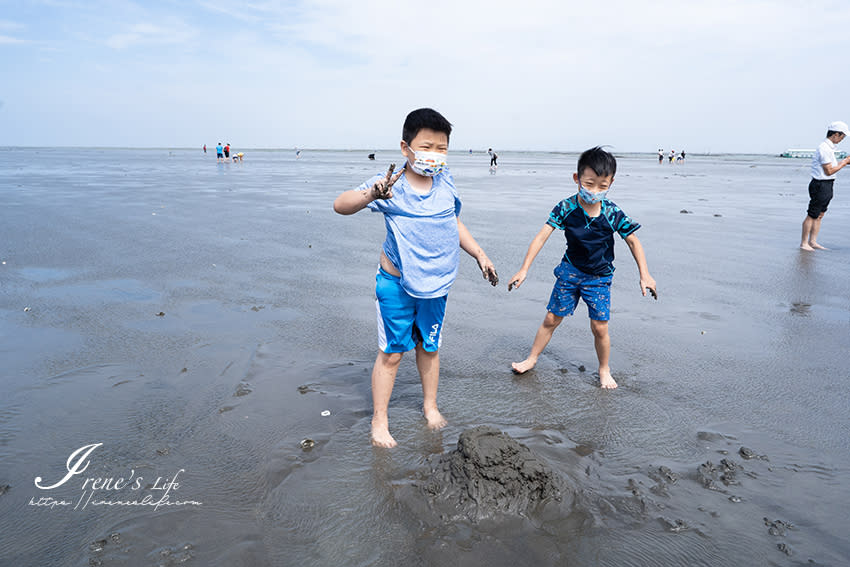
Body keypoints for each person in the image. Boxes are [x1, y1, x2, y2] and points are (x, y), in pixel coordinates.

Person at [333, 108, 498, 447]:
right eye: (427, 146)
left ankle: (430, 406)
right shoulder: (389, 184)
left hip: (436, 285)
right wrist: (371, 194)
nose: (435, 155)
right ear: (406, 147)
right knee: (393, 353)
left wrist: (480, 254)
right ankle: (380, 420)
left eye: (442, 147)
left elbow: (454, 222)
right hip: (396, 284)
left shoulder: (446, 179)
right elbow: (341, 204)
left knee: (429, 347)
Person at [507, 147, 657, 389]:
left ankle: (604, 369)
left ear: (611, 183)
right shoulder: (566, 207)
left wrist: (645, 274)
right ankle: (531, 359)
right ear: (577, 179)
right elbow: (542, 236)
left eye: (602, 185)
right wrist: (524, 269)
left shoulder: (612, 212)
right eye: (589, 183)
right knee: (551, 318)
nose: (595, 191)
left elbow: (633, 240)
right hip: (570, 270)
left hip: (599, 277)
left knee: (599, 326)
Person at [800, 120, 850, 251]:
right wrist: (844, 162)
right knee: (812, 214)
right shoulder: (824, 148)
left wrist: (844, 163)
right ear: (835, 135)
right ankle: (804, 243)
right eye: (842, 137)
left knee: (820, 214)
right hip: (820, 184)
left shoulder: (830, 148)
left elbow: (831, 169)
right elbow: (828, 171)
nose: (842, 140)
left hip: (827, 185)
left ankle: (813, 242)